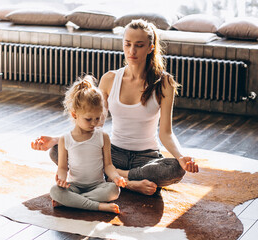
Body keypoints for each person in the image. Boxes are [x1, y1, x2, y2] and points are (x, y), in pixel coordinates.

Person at [32, 19, 199, 196]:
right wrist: (58, 139)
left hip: (146, 157)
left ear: (150, 47)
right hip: (113, 153)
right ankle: (128, 182)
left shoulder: (164, 83)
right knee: (57, 151)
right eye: (127, 44)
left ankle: (115, 175)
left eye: (139, 45)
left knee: (175, 169)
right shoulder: (110, 79)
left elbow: (166, 133)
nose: (131, 51)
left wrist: (181, 158)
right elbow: (95, 122)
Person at [49, 76, 127, 214]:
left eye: (98, 118)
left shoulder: (102, 137)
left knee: (114, 190)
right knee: (55, 191)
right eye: (88, 119)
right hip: (74, 186)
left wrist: (116, 177)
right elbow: (62, 168)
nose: (94, 123)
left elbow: (108, 165)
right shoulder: (65, 139)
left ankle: (71, 202)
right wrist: (61, 179)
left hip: (98, 186)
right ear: (74, 114)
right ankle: (98, 206)